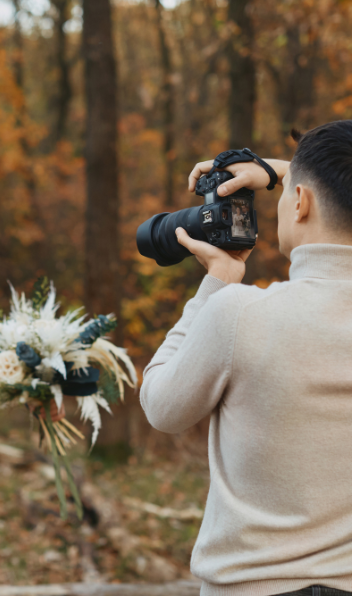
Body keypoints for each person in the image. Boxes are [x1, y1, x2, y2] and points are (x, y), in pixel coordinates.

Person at [140, 120, 352, 596]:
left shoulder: (239, 314)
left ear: (300, 202)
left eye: (285, 193)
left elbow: (161, 405)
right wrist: (277, 172)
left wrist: (216, 284)